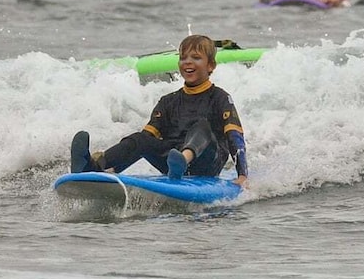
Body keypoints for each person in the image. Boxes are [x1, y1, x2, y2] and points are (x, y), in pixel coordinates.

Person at [69, 34, 248, 186]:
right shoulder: (168, 101)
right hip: (171, 163)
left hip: (207, 162)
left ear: (211, 66)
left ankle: (183, 159)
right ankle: (92, 166)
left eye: (196, 57)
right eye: (183, 57)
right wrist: (114, 171)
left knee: (201, 126)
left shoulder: (220, 98)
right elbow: (143, 144)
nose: (187, 62)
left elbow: (235, 138)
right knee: (141, 138)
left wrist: (242, 175)